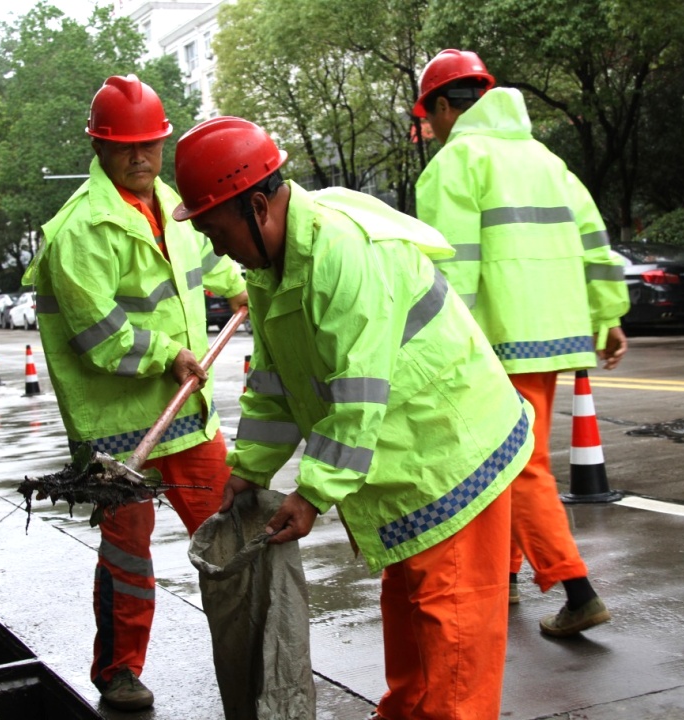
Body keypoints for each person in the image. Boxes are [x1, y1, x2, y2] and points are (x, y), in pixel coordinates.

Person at [172, 115, 535, 719]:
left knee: (452, 643)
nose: (215, 247)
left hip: (449, 455)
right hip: (406, 459)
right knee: (412, 621)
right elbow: (275, 382)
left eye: (214, 229)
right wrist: (249, 470)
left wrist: (312, 494)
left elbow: (357, 392)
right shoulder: (271, 266)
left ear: (258, 207)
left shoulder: (341, 252)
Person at [21, 75, 248, 711]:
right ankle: (118, 671)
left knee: (228, 535)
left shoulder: (171, 204)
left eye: (150, 142)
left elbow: (203, 262)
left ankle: (251, 645)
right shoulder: (80, 231)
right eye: (126, 146)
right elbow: (99, 333)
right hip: (120, 430)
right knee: (127, 555)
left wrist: (238, 282)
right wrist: (166, 354)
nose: (140, 156)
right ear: (98, 148)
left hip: (186, 419)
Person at [413, 49, 631, 637]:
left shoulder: (455, 163)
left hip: (500, 341)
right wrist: (608, 316)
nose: (430, 131)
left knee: (517, 465)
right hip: (556, 336)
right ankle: (507, 577)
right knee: (514, 459)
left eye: (429, 118)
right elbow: (595, 241)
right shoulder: (546, 160)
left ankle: (577, 589)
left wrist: (439, 346)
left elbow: (449, 268)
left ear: (441, 107)